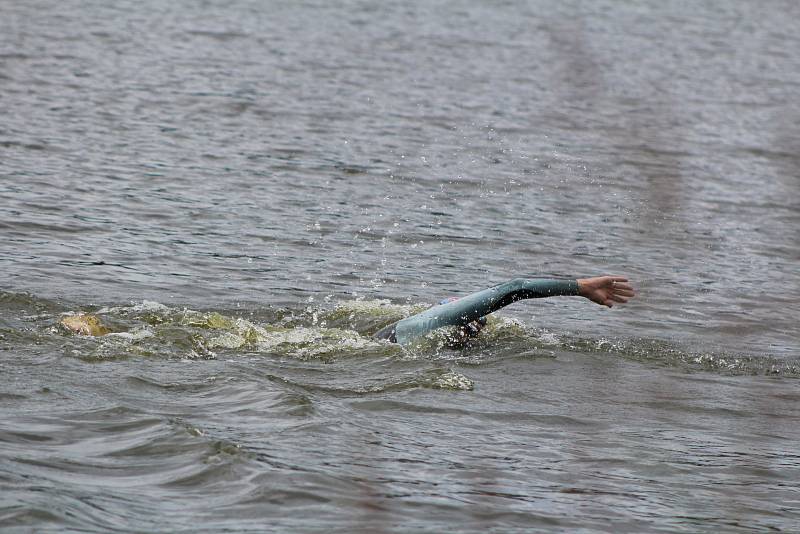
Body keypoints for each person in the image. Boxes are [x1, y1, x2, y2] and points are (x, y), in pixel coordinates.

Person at [374, 276, 635, 345]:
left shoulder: (434, 339)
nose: (472, 329)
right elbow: (515, 288)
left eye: (476, 327)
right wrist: (580, 287)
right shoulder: (423, 325)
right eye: (471, 322)